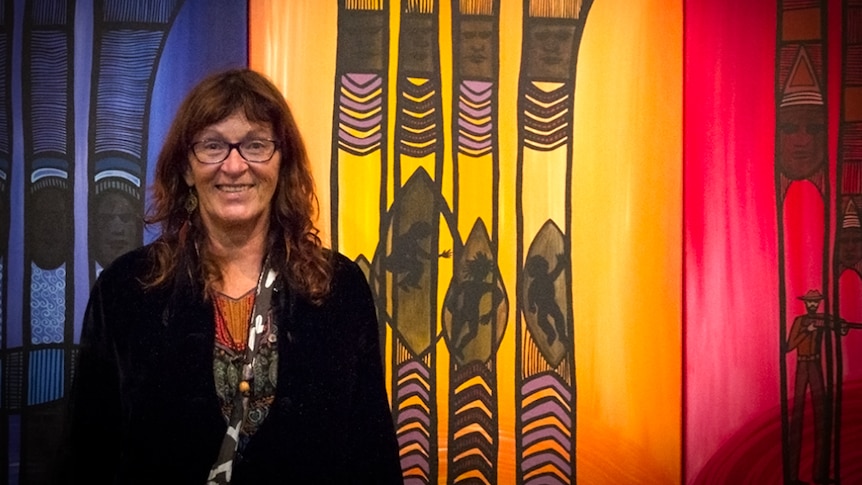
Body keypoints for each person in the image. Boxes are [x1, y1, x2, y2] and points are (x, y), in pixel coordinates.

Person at [60, 68, 403, 484]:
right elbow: (88, 452)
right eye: (213, 145)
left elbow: (372, 454)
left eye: (255, 145)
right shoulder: (127, 290)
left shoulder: (337, 289)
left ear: (282, 163)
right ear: (186, 168)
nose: (235, 165)